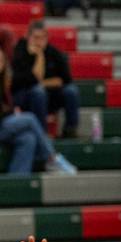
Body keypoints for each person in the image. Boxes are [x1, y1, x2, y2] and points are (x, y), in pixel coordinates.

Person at [0, 47, 76, 175]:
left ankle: (17, 183)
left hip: (4, 125)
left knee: (28, 138)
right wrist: (12, 113)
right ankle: (52, 158)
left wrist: (13, 111)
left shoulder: (4, 81)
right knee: (29, 118)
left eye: (1, 61)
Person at [11, 21, 79, 138]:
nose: (39, 41)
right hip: (24, 96)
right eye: (36, 37)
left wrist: (40, 82)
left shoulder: (54, 52)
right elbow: (21, 81)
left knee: (71, 91)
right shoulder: (19, 51)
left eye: (43, 38)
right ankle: (42, 133)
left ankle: (70, 129)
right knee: (38, 91)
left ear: (47, 38)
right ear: (28, 36)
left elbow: (66, 79)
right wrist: (39, 56)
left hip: (48, 95)